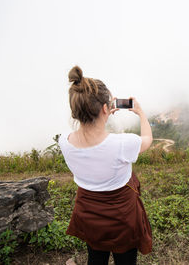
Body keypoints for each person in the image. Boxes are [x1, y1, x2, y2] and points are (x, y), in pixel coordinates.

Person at [58, 65, 153, 265]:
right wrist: (141, 113)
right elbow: (147, 139)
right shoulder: (121, 144)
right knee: (125, 260)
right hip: (122, 219)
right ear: (105, 109)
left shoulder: (64, 142)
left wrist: (103, 113)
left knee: (96, 257)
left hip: (89, 216)